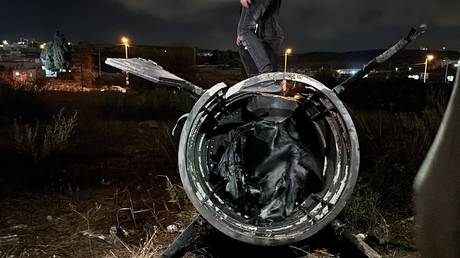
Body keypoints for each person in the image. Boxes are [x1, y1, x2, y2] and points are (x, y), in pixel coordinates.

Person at [237, 0, 284, 77]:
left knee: (245, 30)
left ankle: (266, 72)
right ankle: (262, 78)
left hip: (268, 36)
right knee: (242, 42)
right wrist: (240, 33)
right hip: (267, 35)